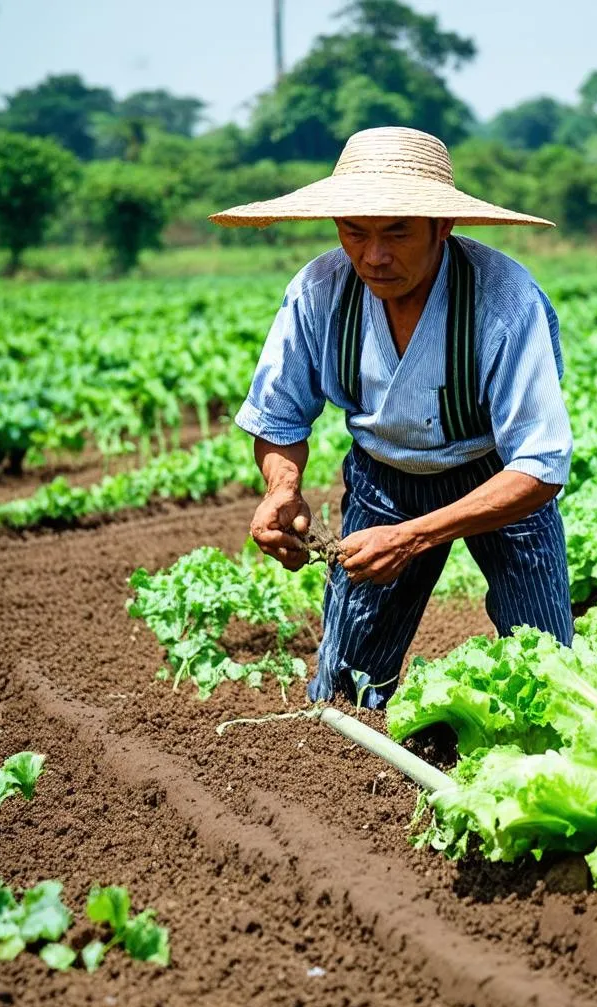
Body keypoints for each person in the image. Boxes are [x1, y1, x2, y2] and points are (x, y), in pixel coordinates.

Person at [210, 126, 574, 709]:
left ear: (442, 226)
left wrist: (412, 538)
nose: (374, 256)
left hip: (498, 482)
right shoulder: (318, 293)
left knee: (549, 674)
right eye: (356, 232)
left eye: (397, 233)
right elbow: (279, 419)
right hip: (383, 481)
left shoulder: (505, 299)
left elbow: (540, 466)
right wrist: (283, 487)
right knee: (345, 689)